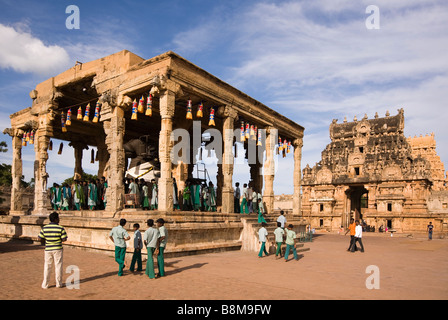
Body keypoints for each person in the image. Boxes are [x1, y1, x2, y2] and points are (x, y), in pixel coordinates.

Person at [38, 211, 68, 289]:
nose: (59, 220)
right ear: (55, 219)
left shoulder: (44, 228)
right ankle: (59, 283)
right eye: (58, 218)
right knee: (58, 265)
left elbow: (39, 238)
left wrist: (46, 240)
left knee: (47, 266)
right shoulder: (60, 228)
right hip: (58, 248)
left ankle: (45, 284)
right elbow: (64, 239)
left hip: (48, 249)